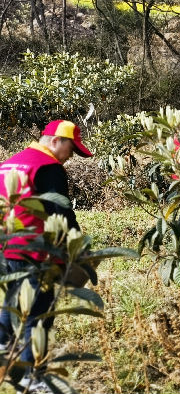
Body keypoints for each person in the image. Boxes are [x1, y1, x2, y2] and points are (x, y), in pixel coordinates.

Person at [0, 120, 92, 376]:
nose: (70, 157)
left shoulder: (10, 162)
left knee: (14, 301)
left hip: (6, 247)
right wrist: (78, 247)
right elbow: (61, 211)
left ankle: (3, 350)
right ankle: (33, 378)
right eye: (71, 149)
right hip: (35, 251)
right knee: (38, 315)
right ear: (56, 141)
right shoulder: (49, 167)